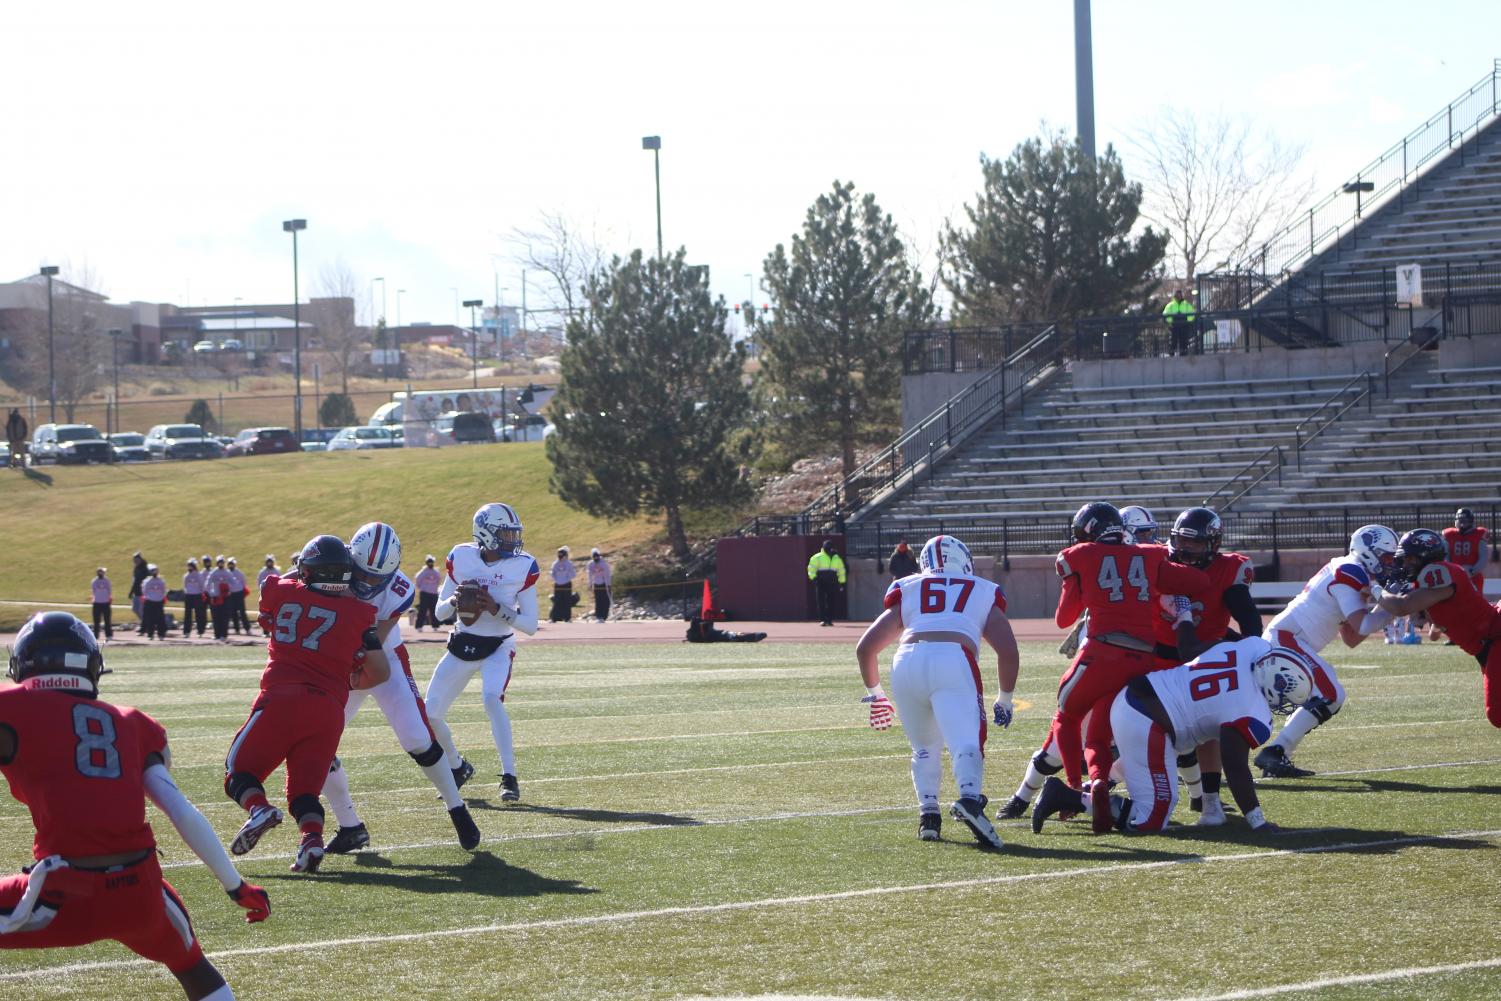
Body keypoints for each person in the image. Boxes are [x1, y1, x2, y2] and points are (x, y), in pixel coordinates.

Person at [0, 612, 270, 1000]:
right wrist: (235, 885)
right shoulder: (132, 723)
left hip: (62, 892)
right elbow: (179, 809)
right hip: (140, 890)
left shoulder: (12, 707)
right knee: (193, 965)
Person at [1001, 502, 1210, 832]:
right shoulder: (1149, 555)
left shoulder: (1079, 555)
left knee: (1065, 717)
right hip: (1141, 659)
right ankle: (1097, 781)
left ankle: (1072, 790)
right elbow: (1198, 583)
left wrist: (1080, 584)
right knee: (1097, 736)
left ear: (1087, 531)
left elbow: (1063, 619)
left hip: (1103, 651)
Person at [223, 535, 387, 875]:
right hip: (329, 710)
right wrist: (351, 679)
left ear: (307, 571)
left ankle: (258, 809)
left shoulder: (281, 591)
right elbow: (380, 671)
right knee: (304, 793)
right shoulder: (361, 614)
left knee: (239, 771)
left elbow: (274, 600)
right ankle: (311, 841)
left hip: (282, 697)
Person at [1031, 637, 1302, 836]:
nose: (1284, 702)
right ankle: (1065, 797)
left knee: (1147, 772)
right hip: (1149, 719)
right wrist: (1256, 820)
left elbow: (1199, 649)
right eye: (1286, 695)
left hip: (1143, 702)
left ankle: (1083, 792)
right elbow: (1235, 766)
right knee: (1154, 816)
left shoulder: (1253, 647)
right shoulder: (1253, 709)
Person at [322, 523, 481, 854]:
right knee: (316, 743)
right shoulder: (333, 569)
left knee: (417, 737)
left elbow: (373, 642)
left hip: (384, 658)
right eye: (362, 574)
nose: (367, 583)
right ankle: (350, 826)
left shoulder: (399, 588)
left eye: (375, 578)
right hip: (339, 660)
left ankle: (457, 808)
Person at [856, 535, 1019, 848]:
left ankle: (928, 816)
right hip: (953, 658)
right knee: (966, 741)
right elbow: (1008, 651)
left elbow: (866, 648)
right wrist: (1005, 698)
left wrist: (876, 695)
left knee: (923, 748)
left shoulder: (908, 586)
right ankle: (970, 800)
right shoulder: (982, 589)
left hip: (905, 662)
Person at [1252, 525, 1398, 779]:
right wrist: (1397, 607)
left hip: (1289, 638)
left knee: (1263, 700)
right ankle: (1275, 752)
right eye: (1385, 557)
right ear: (1369, 552)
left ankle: (1276, 753)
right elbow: (1363, 625)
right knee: (1330, 694)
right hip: (1287, 638)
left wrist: (1387, 609)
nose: (1388, 564)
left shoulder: (1351, 569)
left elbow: (1352, 637)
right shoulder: (1351, 571)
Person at [1149, 507, 1263, 824]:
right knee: (1151, 731)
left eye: (1194, 543)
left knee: (1210, 728)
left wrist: (1252, 649)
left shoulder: (1229, 569)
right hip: (1156, 654)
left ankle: (1210, 803)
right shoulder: (1157, 559)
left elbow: (1248, 616)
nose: (1184, 549)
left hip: (1201, 658)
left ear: (1212, 544)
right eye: (1180, 540)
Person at [425, 503, 540, 804]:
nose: (513, 540)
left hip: (498, 646)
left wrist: (497, 609)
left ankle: (509, 776)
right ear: (485, 533)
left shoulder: (523, 565)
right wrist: (456, 598)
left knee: (491, 698)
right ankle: (457, 766)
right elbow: (439, 613)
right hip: (463, 642)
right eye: (506, 533)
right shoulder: (461, 557)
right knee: (430, 713)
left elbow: (530, 625)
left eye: (515, 533)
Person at [1377, 529, 1501, 727]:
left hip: (1495, 637)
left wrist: (1375, 589)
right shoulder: (1436, 578)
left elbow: (1402, 607)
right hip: (1488, 642)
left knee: (1497, 714)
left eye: (1410, 558)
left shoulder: (1437, 571)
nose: (1406, 564)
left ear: (1426, 555)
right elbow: (1438, 624)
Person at [1442, 508, 1490, 591]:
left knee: (1475, 600)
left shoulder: (1478, 534)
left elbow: (1483, 557)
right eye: (1460, 520)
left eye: (1465, 520)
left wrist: (1473, 570)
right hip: (1454, 575)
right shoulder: (1449, 535)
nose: (1462, 523)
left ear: (1471, 521)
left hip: (1473, 575)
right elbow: (1445, 555)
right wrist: (1450, 570)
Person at [807, 540, 847, 627]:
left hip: (832, 582)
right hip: (820, 582)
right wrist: (814, 578)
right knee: (821, 601)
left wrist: (842, 583)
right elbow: (811, 568)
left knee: (831, 601)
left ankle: (829, 619)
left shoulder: (837, 558)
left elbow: (841, 571)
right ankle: (822, 620)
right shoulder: (817, 557)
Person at [1162, 289, 1197, 356]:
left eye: (1180, 294)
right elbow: (1165, 315)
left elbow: (1192, 314)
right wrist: (1170, 323)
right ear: (1174, 296)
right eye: (1177, 294)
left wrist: (1188, 322)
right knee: (1173, 342)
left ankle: (1183, 355)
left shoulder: (1187, 305)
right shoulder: (1170, 305)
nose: (1178, 296)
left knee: (1183, 342)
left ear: (1181, 295)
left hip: (1184, 326)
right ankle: (1171, 355)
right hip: (1174, 326)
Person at [205, 556, 232, 641]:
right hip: (216, 597)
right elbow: (207, 584)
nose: (221, 564)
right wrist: (212, 594)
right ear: (217, 563)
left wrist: (228, 590)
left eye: (222, 562)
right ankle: (217, 634)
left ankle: (224, 634)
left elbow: (233, 582)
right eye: (219, 562)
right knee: (216, 616)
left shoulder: (227, 573)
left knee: (224, 616)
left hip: (225, 597)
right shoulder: (213, 572)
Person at [685, 615, 766, 643]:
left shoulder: (695, 632)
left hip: (714, 635)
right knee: (728, 635)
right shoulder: (698, 632)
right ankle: (747, 637)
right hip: (715, 635)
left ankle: (745, 636)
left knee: (728, 634)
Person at [549, 545, 577, 623]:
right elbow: (552, 573)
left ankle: (567, 618)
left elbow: (573, 574)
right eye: (559, 555)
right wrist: (557, 580)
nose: (560, 557)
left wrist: (567, 578)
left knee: (567, 602)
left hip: (567, 585)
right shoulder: (555, 563)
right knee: (557, 602)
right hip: (558, 585)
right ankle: (554, 618)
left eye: (562, 555)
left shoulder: (569, 563)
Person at [413, 555, 442, 631]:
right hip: (425, 594)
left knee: (434, 610)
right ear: (426, 563)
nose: (430, 564)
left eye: (431, 562)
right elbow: (417, 580)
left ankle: (435, 626)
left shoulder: (435, 572)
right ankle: (419, 626)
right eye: (429, 562)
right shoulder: (423, 572)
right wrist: (423, 588)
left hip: (434, 594)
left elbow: (439, 580)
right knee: (423, 610)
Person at [140, 564, 168, 640]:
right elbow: (144, 591)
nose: (154, 572)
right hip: (150, 601)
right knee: (150, 619)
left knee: (160, 618)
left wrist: (160, 597)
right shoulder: (147, 581)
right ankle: (150, 634)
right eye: (153, 571)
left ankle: (161, 634)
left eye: (156, 571)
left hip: (159, 601)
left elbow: (164, 591)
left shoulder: (161, 581)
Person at [182, 559, 207, 637]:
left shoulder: (198, 575)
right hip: (189, 595)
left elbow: (202, 586)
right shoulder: (186, 576)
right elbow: (185, 585)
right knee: (187, 614)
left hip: (197, 595)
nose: (189, 567)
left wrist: (201, 593)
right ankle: (186, 632)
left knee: (198, 614)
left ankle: (200, 631)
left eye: (191, 566)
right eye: (188, 566)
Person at [588, 547, 613, 621]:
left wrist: (608, 584)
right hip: (596, 584)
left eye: (597, 556)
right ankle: (599, 616)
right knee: (598, 600)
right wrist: (590, 584)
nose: (596, 558)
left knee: (606, 600)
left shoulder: (603, 563)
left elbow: (607, 574)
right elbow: (590, 575)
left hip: (604, 584)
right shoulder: (591, 564)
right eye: (594, 557)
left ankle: (604, 616)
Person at [226, 558, 250, 634]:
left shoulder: (239, 573)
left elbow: (244, 582)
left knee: (242, 612)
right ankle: (237, 629)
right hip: (231, 594)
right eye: (229, 564)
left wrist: (242, 591)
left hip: (239, 593)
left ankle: (247, 629)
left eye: (232, 564)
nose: (231, 565)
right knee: (233, 612)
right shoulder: (226, 573)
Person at [90, 567, 113, 639]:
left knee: (107, 620)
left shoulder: (107, 580)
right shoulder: (94, 581)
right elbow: (93, 591)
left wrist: (109, 599)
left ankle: (108, 634)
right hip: (97, 603)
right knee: (96, 620)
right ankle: (96, 635)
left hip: (105, 602)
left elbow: (109, 591)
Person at [129, 552, 149, 624]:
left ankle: (145, 624)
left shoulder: (145, 569)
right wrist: (131, 592)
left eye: (137, 560)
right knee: (134, 609)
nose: (135, 561)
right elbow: (135, 581)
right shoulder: (136, 569)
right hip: (136, 592)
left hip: (143, 593)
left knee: (141, 610)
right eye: (134, 560)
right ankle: (144, 622)